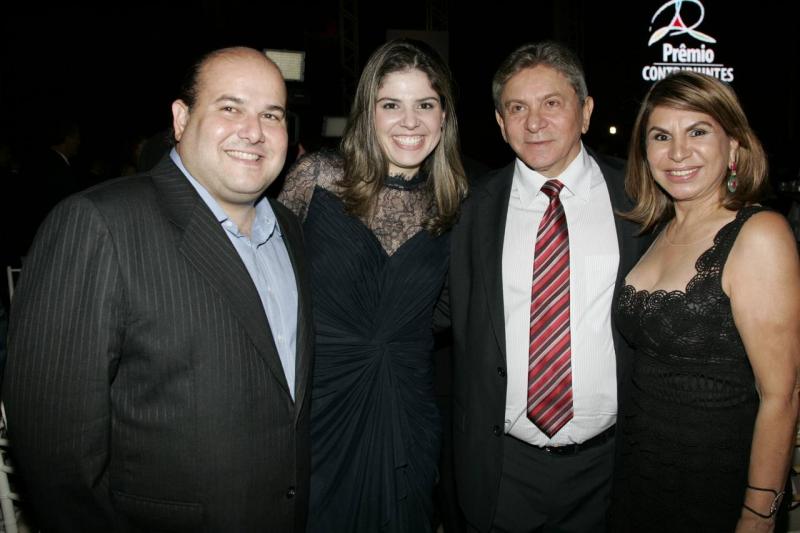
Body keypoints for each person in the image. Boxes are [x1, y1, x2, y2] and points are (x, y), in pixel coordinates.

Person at [3, 46, 313, 532]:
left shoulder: (290, 231)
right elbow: (56, 455)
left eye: (271, 114)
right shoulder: (99, 224)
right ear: (181, 119)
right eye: (230, 107)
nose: (253, 131)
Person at [439, 41, 646, 532]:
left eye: (552, 103)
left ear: (586, 111)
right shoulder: (468, 210)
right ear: (500, 123)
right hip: (501, 467)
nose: (534, 122)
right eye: (517, 108)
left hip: (612, 466)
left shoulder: (642, 200)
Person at [278, 38, 468, 532]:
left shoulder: (454, 204)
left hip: (406, 405)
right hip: (316, 402)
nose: (410, 121)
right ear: (368, 112)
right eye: (391, 105)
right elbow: (264, 281)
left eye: (425, 105)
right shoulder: (316, 179)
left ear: (443, 117)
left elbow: (452, 308)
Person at [610, 71, 800, 533]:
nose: (678, 152)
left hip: (716, 489)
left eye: (697, 132)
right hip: (638, 481)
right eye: (661, 136)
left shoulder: (759, 235)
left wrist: (758, 516)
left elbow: (782, 395)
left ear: (733, 146)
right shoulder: (655, 232)